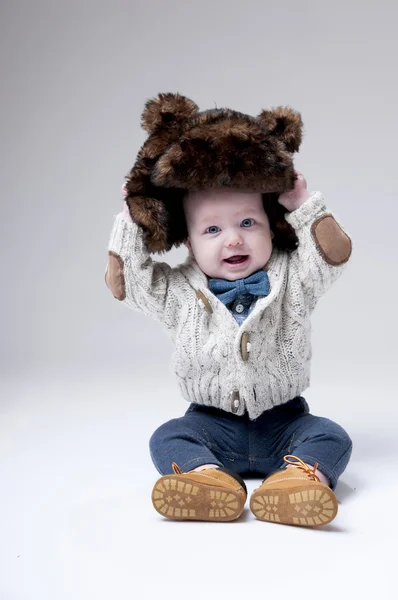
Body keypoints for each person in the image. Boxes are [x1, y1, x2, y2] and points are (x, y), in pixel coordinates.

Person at [105, 92, 353, 526]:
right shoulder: (180, 290)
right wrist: (132, 219)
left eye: (247, 223)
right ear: (187, 241)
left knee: (331, 435)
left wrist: (303, 205)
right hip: (210, 424)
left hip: (285, 422)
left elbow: (331, 256)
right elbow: (133, 286)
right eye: (213, 229)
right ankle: (208, 478)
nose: (233, 240)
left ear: (271, 227)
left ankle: (298, 478)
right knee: (169, 436)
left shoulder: (294, 277)